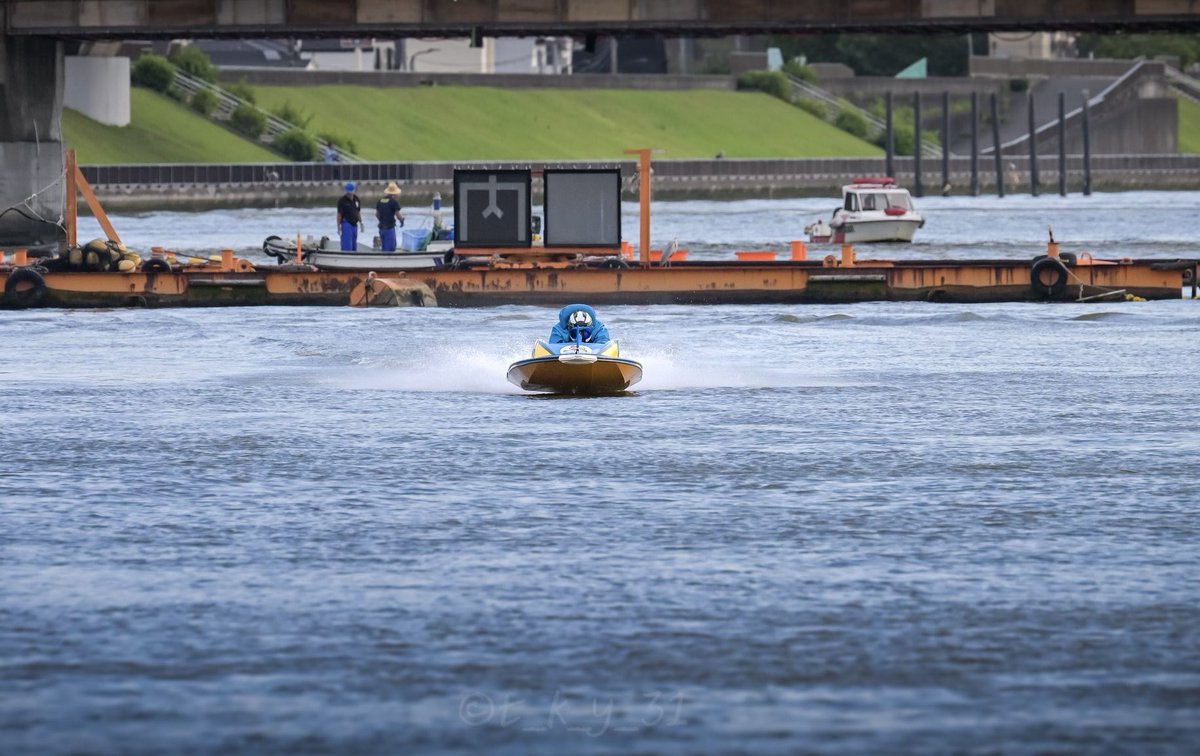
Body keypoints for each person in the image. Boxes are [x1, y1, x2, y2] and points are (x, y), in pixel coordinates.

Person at [375, 182, 406, 252]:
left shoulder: (380, 201)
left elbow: (376, 214)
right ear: (395, 193)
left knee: (384, 248)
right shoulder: (393, 202)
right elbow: (398, 215)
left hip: (381, 228)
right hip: (389, 229)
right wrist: (402, 220)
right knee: (390, 249)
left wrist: (382, 220)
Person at [336, 182, 363, 251]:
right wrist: (338, 227)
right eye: (347, 192)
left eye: (350, 192)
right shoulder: (342, 201)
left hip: (355, 225)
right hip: (346, 224)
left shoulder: (357, 199)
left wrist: (361, 223)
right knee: (347, 246)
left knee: (354, 246)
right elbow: (339, 215)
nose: (349, 194)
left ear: (354, 191)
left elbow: (358, 212)